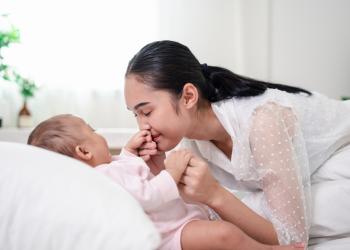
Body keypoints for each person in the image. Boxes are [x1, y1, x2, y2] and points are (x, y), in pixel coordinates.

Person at [124, 40, 350, 247]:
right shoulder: (193, 145)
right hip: (314, 163)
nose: (142, 126)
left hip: (342, 150)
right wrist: (156, 171)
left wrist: (215, 195)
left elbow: (292, 241)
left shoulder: (262, 121)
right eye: (136, 115)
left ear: (189, 96)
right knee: (254, 207)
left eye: (147, 111)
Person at [27, 114, 302, 250]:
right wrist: (172, 170)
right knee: (225, 235)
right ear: (84, 152)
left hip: (181, 222)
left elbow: (128, 172)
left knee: (223, 231)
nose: (100, 135)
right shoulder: (102, 178)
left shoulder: (110, 168)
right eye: (93, 131)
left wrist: (130, 151)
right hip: (170, 235)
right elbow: (146, 195)